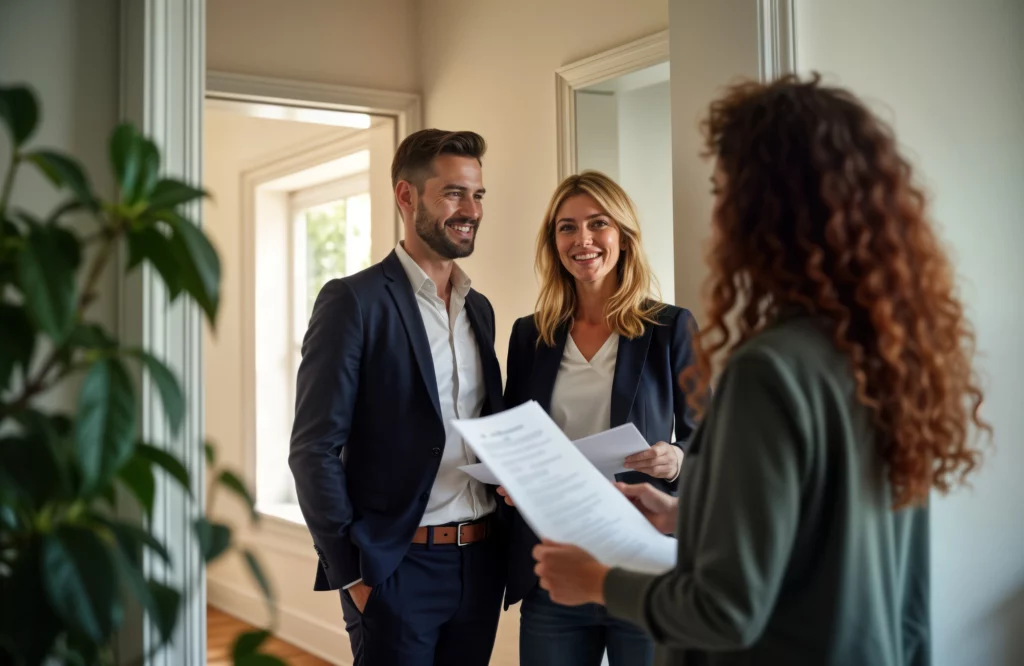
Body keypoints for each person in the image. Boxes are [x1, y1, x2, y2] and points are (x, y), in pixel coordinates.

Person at [531, 74, 990, 665]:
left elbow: (725, 609)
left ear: (766, 211)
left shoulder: (768, 371)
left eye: (723, 190)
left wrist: (597, 583)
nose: (717, 214)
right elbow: (892, 584)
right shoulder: (888, 358)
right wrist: (690, 517)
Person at [288, 129, 506, 666]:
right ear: (406, 196)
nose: (470, 210)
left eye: (477, 195)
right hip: (396, 567)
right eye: (453, 192)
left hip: (479, 565)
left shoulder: (480, 309)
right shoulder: (353, 302)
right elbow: (313, 450)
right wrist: (354, 575)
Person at [500, 170, 699, 666]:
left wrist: (674, 460)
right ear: (554, 242)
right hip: (556, 567)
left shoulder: (670, 328)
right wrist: (510, 476)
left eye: (597, 224)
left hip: (642, 568)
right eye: (566, 227)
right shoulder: (531, 335)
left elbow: (711, 447)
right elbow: (512, 437)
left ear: (623, 238)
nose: (582, 240)